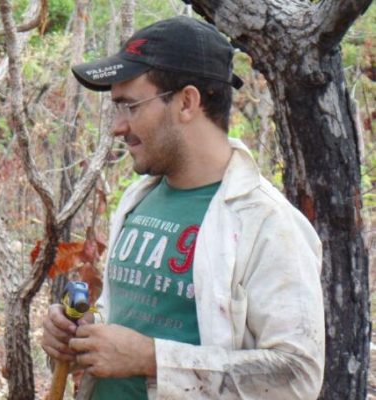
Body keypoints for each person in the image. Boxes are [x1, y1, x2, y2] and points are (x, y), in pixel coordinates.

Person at [41, 16, 324, 399]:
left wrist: (154, 360)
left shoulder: (267, 223)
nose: (117, 127)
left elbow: (297, 376)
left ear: (187, 103)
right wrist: (83, 332)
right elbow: (127, 316)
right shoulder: (138, 198)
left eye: (130, 106)